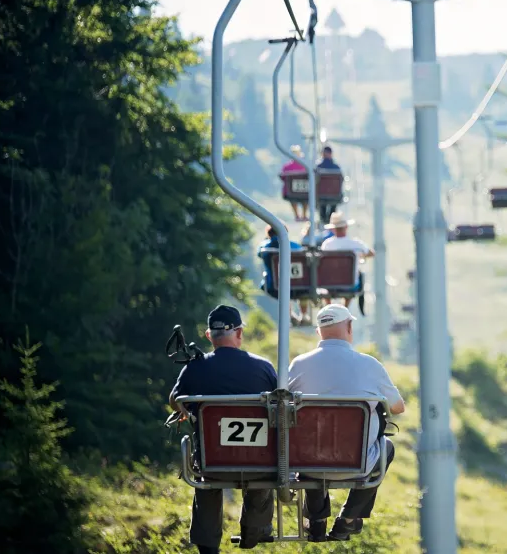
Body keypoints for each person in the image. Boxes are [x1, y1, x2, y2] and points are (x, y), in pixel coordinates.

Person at [287, 304, 405, 542]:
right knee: (386, 449)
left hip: (309, 463)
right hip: (357, 462)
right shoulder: (370, 365)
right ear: (349, 327)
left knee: (309, 444)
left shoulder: (298, 364)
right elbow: (398, 407)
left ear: (319, 331)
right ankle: (349, 517)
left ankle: (316, 520)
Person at [168, 305, 278, 553]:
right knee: (264, 473)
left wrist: (188, 411)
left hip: (214, 460)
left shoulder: (195, 367)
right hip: (257, 460)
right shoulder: (264, 368)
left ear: (209, 336)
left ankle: (208, 546)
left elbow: (176, 400)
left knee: (206, 479)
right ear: (239, 333)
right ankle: (255, 530)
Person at [257, 225, 312, 324]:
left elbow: (259, 253)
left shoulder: (265, 248)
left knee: (283, 293)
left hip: (274, 286)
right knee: (303, 289)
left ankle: (290, 315)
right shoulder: (294, 246)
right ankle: (303, 315)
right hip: (298, 285)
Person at [319, 211, 374, 309]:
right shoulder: (355, 244)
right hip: (350, 284)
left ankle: (328, 307)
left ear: (332, 229)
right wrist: (360, 255)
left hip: (329, 284)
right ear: (346, 227)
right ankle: (345, 307)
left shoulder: (327, 245)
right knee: (354, 277)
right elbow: (371, 253)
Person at [315, 145, 344, 225]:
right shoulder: (336, 167)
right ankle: (330, 222)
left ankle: (324, 221)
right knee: (332, 209)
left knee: (322, 208)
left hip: (320, 194)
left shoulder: (318, 167)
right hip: (334, 194)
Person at [280, 144, 309, 222]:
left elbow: (283, 177)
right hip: (304, 191)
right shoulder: (305, 165)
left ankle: (297, 215)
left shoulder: (287, 167)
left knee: (292, 196)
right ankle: (304, 215)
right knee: (305, 197)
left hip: (291, 192)